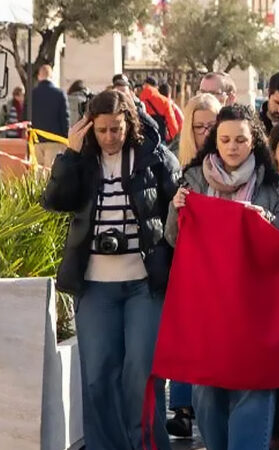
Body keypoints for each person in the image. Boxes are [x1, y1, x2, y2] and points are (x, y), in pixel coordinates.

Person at [41, 89, 179, 450]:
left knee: (141, 374)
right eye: (101, 130)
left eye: (116, 129)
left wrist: (153, 139)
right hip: (95, 285)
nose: (109, 137)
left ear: (128, 123)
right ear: (90, 128)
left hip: (144, 284)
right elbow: (54, 201)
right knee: (98, 376)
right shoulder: (82, 159)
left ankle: (147, 445)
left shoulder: (152, 156)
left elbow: (177, 197)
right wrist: (70, 153)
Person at [165, 104, 279, 450]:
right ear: (215, 142)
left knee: (252, 386)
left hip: (255, 306)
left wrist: (262, 221)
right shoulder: (192, 180)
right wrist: (175, 210)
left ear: (253, 140)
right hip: (206, 305)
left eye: (240, 139)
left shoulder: (274, 185)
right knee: (207, 390)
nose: (233, 146)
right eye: (225, 139)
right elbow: (173, 239)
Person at [165, 92, 222, 438]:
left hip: (224, 265)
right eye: (198, 126)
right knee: (189, 336)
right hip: (189, 263)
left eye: (210, 126)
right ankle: (183, 409)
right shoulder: (178, 161)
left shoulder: (236, 157)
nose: (205, 132)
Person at [31, 64, 70, 167]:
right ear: (51, 76)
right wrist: (66, 138)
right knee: (51, 172)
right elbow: (64, 118)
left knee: (37, 174)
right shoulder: (59, 94)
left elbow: (26, 116)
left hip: (36, 139)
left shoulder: (32, 94)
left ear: (39, 76)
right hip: (55, 140)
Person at [139, 76, 184, 145]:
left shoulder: (138, 101)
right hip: (160, 140)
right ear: (156, 87)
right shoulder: (164, 101)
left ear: (144, 86)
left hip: (143, 141)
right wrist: (169, 138)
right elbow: (173, 127)